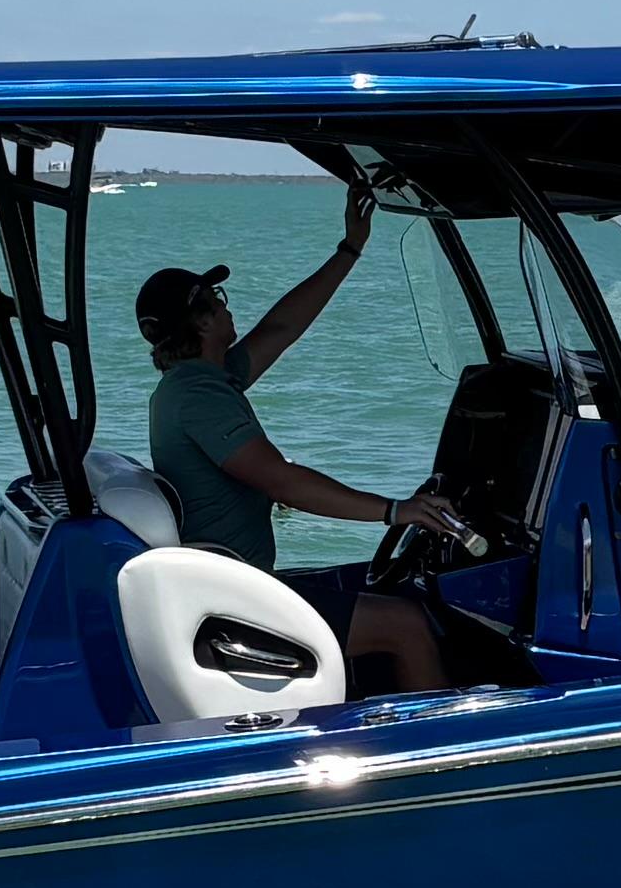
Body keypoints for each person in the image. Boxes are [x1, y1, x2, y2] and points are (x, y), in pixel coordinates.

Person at [133, 191, 480, 692]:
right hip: (232, 603)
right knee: (408, 625)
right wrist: (395, 511)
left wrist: (349, 249)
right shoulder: (201, 397)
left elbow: (282, 326)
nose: (230, 310)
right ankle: (436, 759)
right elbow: (282, 481)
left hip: (230, 587)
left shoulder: (198, 382)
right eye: (219, 302)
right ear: (204, 321)